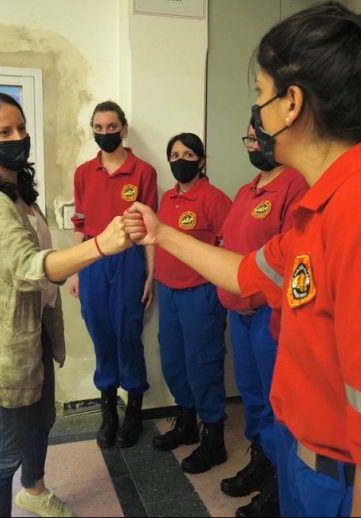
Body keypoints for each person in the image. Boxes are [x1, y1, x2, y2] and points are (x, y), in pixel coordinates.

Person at [125, 1, 361, 516]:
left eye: (260, 94)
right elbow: (244, 272)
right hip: (319, 474)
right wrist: (162, 233)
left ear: (292, 103)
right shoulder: (325, 208)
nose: (256, 112)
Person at [0, 92, 133, 517]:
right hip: (1, 351)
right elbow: (27, 266)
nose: (18, 137)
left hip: (31, 338)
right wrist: (100, 245)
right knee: (3, 455)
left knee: (41, 425)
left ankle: (33, 492)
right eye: (4, 132)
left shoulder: (18, 191)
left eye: (21, 128)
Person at [217, 123, 307, 518]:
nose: (251, 145)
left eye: (257, 138)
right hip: (240, 313)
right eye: (248, 138)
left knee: (275, 401)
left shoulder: (294, 185)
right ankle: (262, 461)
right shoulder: (246, 190)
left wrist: (254, 294)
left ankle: (279, 486)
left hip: (268, 312)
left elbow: (290, 259)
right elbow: (228, 245)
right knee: (252, 395)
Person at [68, 100, 158, 449]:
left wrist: (150, 274)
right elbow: (79, 223)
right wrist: (75, 268)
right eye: (98, 128)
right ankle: (109, 412)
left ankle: (133, 410)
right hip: (91, 259)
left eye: (111, 127)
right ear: (93, 130)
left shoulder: (143, 172)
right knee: (101, 334)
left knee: (128, 333)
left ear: (123, 128)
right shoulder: (83, 173)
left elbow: (151, 229)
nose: (105, 133)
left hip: (129, 260)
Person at [150, 133, 232, 475]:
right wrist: (150, 279)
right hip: (168, 292)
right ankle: (186, 422)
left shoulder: (215, 199)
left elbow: (230, 249)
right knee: (173, 362)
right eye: (174, 154)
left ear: (201, 161)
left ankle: (214, 440)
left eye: (187, 154)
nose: (179, 160)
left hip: (200, 294)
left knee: (203, 366)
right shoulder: (167, 198)